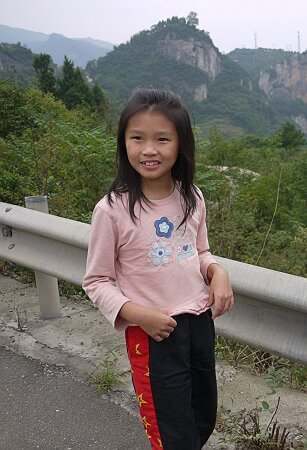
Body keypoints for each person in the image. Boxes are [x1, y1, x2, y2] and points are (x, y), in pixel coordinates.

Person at [82, 87, 234, 449]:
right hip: (153, 333)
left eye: (162, 139)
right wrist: (140, 315)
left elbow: (199, 252)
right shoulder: (112, 210)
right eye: (137, 138)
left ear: (181, 144)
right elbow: (97, 280)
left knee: (202, 417)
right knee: (168, 431)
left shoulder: (191, 196)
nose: (149, 149)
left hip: (197, 323)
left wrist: (217, 273)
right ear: (124, 143)